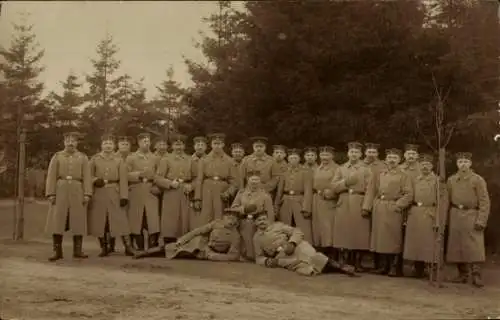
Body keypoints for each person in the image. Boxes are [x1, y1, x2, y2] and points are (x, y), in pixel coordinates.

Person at [252, 211, 358, 277]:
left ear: (268, 220)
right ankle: (337, 269)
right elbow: (259, 257)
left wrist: (292, 243)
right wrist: (267, 261)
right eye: (259, 220)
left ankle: (341, 267)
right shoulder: (257, 238)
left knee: (309, 254)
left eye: (264, 219)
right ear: (255, 223)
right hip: (281, 255)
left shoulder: (278, 226)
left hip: (294, 246)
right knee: (304, 267)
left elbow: (297, 231)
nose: (262, 222)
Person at [45, 131, 92, 261]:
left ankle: (78, 250)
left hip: (77, 189)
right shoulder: (57, 156)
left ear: (77, 143)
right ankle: (57, 251)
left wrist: (87, 193)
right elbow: (51, 176)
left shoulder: (83, 157)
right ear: (64, 142)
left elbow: (87, 177)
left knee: (78, 220)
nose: (70, 143)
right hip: (61, 189)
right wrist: (51, 193)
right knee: (58, 220)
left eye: (73, 141)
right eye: (68, 141)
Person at [365, 148, 413, 277]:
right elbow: (372, 190)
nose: (392, 160)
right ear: (386, 160)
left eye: (395, 158)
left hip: (393, 207)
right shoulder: (380, 173)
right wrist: (369, 206)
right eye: (390, 158)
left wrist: (398, 205)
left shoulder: (404, 175)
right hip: (379, 206)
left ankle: (394, 267)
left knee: (393, 237)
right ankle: (383, 266)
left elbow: (409, 194)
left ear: (399, 160)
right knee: (380, 238)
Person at [446, 152, 490, 288]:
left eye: (465, 161)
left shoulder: (478, 180)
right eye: (460, 162)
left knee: (474, 245)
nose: (463, 164)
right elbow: (446, 200)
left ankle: (476, 274)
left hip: (472, 214)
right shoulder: (451, 180)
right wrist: (445, 220)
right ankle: (462, 274)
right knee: (457, 244)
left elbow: (484, 201)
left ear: (470, 164)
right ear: (457, 164)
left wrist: (481, 220)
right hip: (455, 214)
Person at [88, 134, 135, 257]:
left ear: (114, 146)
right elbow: (88, 176)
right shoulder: (94, 159)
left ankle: (128, 247)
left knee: (121, 219)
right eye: (105, 143)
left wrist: (124, 196)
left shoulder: (119, 160)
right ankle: (104, 247)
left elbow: (123, 180)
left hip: (115, 191)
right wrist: (95, 180)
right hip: (99, 192)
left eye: (110, 143)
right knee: (101, 220)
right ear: (101, 145)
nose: (108, 146)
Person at [133, 209, 241, 262]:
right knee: (172, 247)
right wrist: (182, 240)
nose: (230, 220)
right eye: (228, 217)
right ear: (223, 218)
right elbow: (197, 231)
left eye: (233, 218)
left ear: (236, 221)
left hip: (208, 252)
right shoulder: (216, 223)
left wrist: (212, 256)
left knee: (180, 255)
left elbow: (233, 256)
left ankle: (148, 254)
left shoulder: (235, 236)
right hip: (201, 244)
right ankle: (144, 253)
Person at [403, 153, 448, 279]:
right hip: (416, 212)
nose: (425, 167)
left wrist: (439, 220)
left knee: (429, 244)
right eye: (422, 165)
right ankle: (418, 269)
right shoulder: (415, 180)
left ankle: (431, 269)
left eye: (427, 165)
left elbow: (443, 202)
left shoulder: (438, 181)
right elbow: (409, 196)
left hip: (430, 213)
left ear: (432, 166)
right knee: (416, 243)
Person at [332, 142, 373, 272]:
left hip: (359, 200)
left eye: (356, 152)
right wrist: (345, 183)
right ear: (347, 153)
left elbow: (370, 189)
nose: (353, 154)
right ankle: (343, 260)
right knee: (342, 231)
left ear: (361, 154)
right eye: (351, 152)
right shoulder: (341, 168)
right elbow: (333, 186)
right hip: (344, 200)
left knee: (358, 232)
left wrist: (366, 206)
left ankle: (357, 261)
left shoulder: (366, 169)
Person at [155, 134, 196, 246]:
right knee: (170, 218)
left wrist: (191, 186)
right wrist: (169, 183)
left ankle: (184, 243)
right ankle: (169, 243)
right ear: (172, 146)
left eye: (181, 144)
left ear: (184, 146)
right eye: (176, 144)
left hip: (185, 191)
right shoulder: (166, 160)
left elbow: (196, 178)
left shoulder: (190, 159)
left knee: (185, 218)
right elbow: (157, 178)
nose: (178, 147)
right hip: (171, 191)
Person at [192, 133, 238, 228]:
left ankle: (219, 238)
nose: (217, 146)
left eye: (219, 143)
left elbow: (234, 181)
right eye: (215, 143)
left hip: (222, 191)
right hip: (207, 190)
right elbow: (199, 179)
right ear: (211, 145)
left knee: (220, 216)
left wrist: (229, 192)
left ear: (223, 145)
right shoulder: (204, 160)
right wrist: (197, 198)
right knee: (206, 216)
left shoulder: (229, 161)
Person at [125, 133, 161, 250]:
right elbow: (125, 175)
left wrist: (157, 187)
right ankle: (139, 247)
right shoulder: (131, 158)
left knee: (152, 220)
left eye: (148, 141)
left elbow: (161, 174)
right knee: (136, 220)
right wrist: (138, 174)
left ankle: (152, 247)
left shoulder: (156, 158)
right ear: (139, 143)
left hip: (151, 190)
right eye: (143, 141)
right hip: (136, 190)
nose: (146, 143)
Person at [230, 170, 275, 261]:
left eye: (257, 180)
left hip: (259, 223)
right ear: (248, 180)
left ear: (260, 181)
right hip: (244, 222)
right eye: (252, 180)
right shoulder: (241, 193)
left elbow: (270, 213)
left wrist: (269, 227)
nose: (254, 182)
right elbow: (233, 208)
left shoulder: (265, 195)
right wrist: (244, 209)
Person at [274, 148, 313, 243]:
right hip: (286, 201)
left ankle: (305, 248)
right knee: (285, 226)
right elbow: (280, 191)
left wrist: (306, 208)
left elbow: (308, 190)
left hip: (299, 201)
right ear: (288, 159)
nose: (293, 160)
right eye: (291, 158)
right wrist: (277, 206)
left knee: (302, 227)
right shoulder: (284, 171)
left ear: (299, 159)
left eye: (295, 158)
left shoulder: (305, 171)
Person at [363, 142, 387, 270]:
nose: (371, 154)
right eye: (369, 152)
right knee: (363, 230)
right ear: (365, 153)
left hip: (378, 200)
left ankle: (378, 262)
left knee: (378, 232)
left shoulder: (383, 166)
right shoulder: (360, 165)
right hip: (362, 200)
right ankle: (363, 259)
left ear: (377, 154)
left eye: (374, 152)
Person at [311, 146, 338, 257]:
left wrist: (330, 193)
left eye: (327, 155)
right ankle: (320, 251)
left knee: (328, 227)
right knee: (318, 226)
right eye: (322, 155)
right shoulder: (317, 168)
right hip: (317, 200)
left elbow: (338, 184)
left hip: (329, 200)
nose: (324, 157)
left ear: (332, 156)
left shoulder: (336, 168)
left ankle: (331, 253)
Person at [110, 135, 133, 253]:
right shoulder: (111, 157)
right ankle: (110, 245)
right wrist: (137, 175)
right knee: (111, 217)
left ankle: (129, 246)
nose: (124, 146)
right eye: (122, 144)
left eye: (127, 144)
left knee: (128, 220)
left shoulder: (133, 157)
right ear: (117, 145)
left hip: (132, 192)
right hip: (116, 191)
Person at [189, 136, 207, 230]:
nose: (200, 147)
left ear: (206, 147)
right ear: (194, 146)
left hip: (206, 190)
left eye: (202, 145)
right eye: (198, 145)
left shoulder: (209, 160)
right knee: (192, 217)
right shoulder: (188, 160)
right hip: (192, 191)